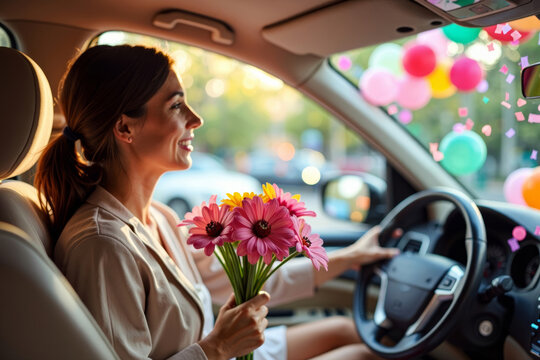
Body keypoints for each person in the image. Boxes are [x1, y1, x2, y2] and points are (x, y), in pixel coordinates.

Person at [35, 44, 398, 360]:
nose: (196, 118)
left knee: (346, 331)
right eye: (177, 105)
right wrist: (218, 348)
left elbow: (229, 280)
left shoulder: (157, 217)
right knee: (366, 354)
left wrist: (349, 259)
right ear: (126, 128)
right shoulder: (103, 247)